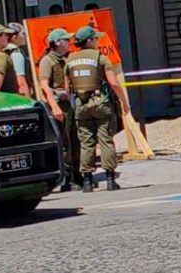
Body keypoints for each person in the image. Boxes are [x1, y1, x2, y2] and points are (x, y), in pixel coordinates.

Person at [66, 26, 130, 193]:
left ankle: (87, 181)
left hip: (81, 106)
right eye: (95, 38)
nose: (97, 41)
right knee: (105, 140)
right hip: (101, 104)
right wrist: (124, 102)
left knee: (86, 144)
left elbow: (68, 87)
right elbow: (114, 83)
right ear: (89, 41)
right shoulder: (101, 58)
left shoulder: (70, 60)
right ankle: (110, 180)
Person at [39, 28, 82, 192]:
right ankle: (67, 179)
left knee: (74, 141)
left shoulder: (66, 59)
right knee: (64, 143)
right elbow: (44, 85)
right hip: (58, 106)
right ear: (57, 42)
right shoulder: (47, 61)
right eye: (66, 40)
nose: (69, 43)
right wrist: (55, 106)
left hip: (69, 104)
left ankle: (77, 175)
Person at [5, 22, 31, 97]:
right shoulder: (16, 53)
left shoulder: (3, 50)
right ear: (14, 37)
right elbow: (21, 82)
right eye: (23, 34)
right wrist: (29, 103)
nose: (26, 37)